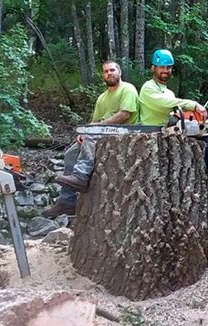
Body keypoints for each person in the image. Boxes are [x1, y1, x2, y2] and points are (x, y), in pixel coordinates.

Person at [139, 49, 208, 223]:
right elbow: (164, 104)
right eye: (162, 67)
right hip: (156, 132)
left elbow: (174, 109)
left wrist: (190, 116)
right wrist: (192, 105)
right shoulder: (148, 88)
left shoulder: (168, 91)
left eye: (168, 67)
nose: (166, 71)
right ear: (153, 68)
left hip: (171, 129)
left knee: (206, 133)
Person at [43, 61, 139, 218]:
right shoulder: (102, 97)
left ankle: (81, 175)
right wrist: (86, 131)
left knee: (92, 133)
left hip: (124, 131)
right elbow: (94, 121)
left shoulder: (127, 89)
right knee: (70, 153)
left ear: (119, 72)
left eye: (112, 70)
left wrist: (96, 128)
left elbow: (125, 114)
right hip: (101, 132)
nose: (109, 73)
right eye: (106, 71)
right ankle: (67, 201)